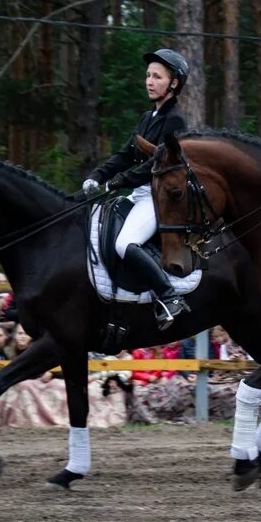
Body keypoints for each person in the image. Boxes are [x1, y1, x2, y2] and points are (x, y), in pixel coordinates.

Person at [82, 49, 192, 330]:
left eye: (157, 76)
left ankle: (169, 297)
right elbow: (125, 155)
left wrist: (117, 182)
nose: (149, 81)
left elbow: (158, 165)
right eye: (148, 75)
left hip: (158, 199)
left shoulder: (175, 121)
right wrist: (98, 175)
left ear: (174, 83)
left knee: (124, 243)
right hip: (139, 194)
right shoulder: (147, 117)